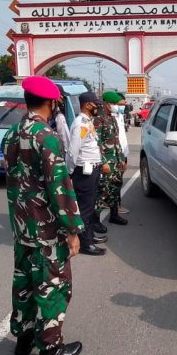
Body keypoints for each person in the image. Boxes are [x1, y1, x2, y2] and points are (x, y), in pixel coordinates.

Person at [1, 76, 84, 355]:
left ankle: (23, 338)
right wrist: (73, 230)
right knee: (53, 287)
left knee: (23, 284)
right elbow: (59, 187)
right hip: (46, 232)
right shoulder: (45, 137)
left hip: (22, 228)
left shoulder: (11, 134)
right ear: (52, 102)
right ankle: (49, 349)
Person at [68, 91, 107, 255]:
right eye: (96, 103)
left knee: (89, 207)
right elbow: (72, 151)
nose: (99, 106)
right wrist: (69, 174)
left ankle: (89, 236)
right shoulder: (80, 124)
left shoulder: (87, 122)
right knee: (84, 209)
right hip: (84, 172)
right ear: (87, 105)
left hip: (92, 170)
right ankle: (85, 243)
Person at [93, 91, 128, 229]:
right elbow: (97, 142)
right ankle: (95, 221)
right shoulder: (98, 119)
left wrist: (122, 159)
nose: (117, 107)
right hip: (106, 162)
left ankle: (114, 215)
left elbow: (116, 141)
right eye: (115, 104)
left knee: (115, 189)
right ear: (107, 104)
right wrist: (103, 162)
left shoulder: (112, 118)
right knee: (102, 192)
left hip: (116, 161)